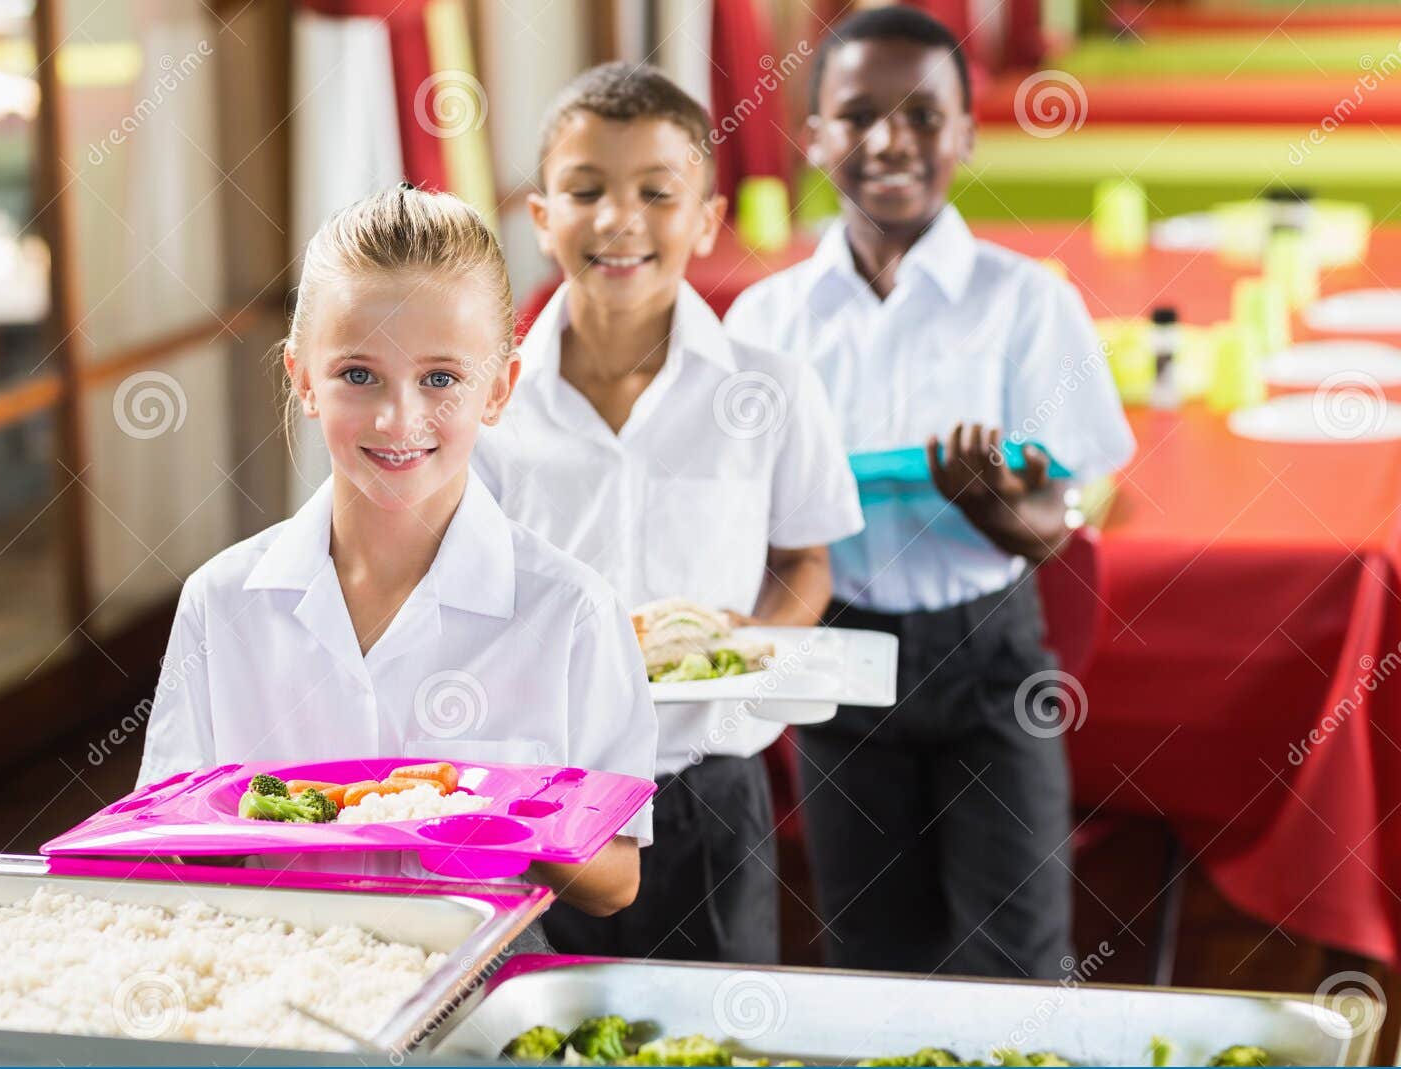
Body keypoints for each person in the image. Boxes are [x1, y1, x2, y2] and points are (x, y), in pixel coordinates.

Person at [725, 6, 1135, 979]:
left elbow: (1063, 516)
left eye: (920, 115)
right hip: (838, 654)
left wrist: (1002, 513)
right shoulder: (765, 318)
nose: (888, 140)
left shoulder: (1029, 299)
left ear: (965, 131)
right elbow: (736, 509)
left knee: (1021, 961)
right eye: (857, 115)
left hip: (990, 658)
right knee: (871, 957)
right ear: (814, 133)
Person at [138, 185, 656, 922]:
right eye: (358, 375)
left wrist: (491, 811)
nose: (397, 417)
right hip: (270, 976)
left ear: (499, 389)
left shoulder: (570, 609)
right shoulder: (223, 600)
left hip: (481, 972)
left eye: (440, 379)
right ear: (303, 380)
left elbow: (617, 877)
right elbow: (164, 845)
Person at [474, 64, 863, 964]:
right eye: (586, 191)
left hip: (706, 788)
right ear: (540, 216)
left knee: (716, 1063)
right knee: (537, 1045)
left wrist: (758, 645)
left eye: (657, 192)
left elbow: (806, 561)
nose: (619, 219)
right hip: (537, 791)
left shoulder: (771, 388)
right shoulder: (489, 402)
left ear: (706, 219)